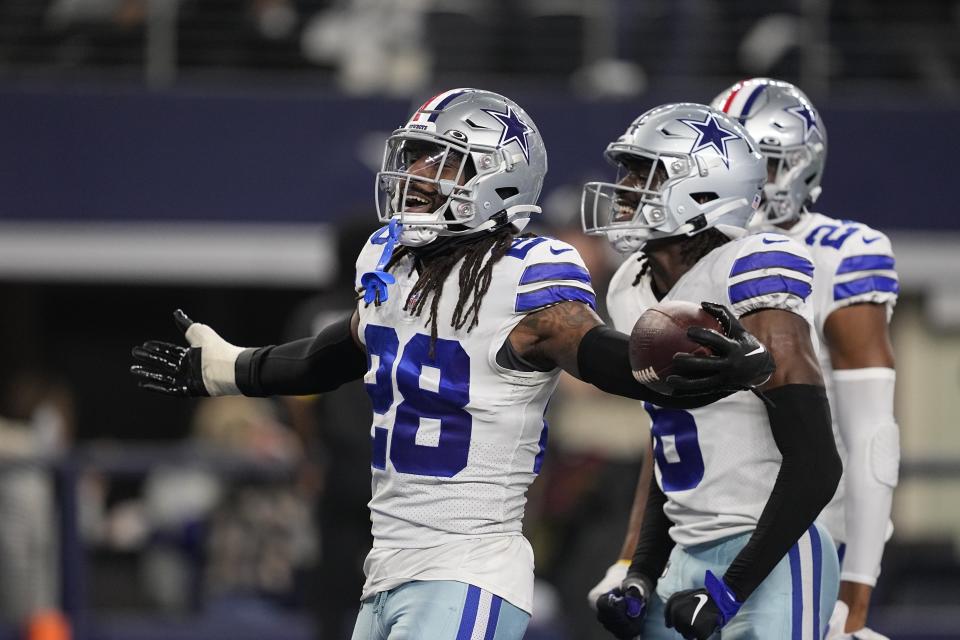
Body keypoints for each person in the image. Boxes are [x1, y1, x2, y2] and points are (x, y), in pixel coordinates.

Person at [130, 88, 774, 640]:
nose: (413, 174)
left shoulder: (525, 276)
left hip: (468, 567)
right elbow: (338, 352)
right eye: (412, 158)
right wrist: (230, 369)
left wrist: (677, 363)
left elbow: (594, 350)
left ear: (495, 178)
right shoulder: (394, 263)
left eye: (438, 162)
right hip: (388, 565)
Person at [581, 102, 842, 639]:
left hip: (773, 554)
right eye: (627, 171)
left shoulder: (751, 267)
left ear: (702, 191)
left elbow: (817, 462)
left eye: (644, 173)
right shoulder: (630, 286)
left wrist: (732, 587)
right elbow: (671, 446)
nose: (625, 187)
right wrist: (642, 572)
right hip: (685, 548)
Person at [712, 78, 900, 640]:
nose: (747, 183)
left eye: (763, 165)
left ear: (800, 167)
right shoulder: (702, 253)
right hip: (710, 524)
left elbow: (872, 435)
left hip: (813, 528)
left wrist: (857, 587)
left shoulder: (843, 254)